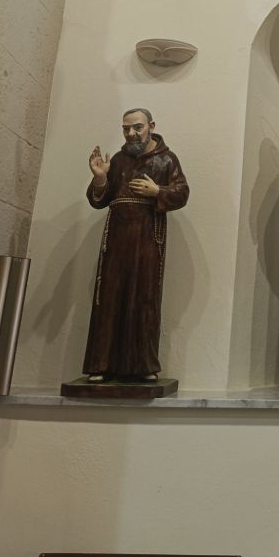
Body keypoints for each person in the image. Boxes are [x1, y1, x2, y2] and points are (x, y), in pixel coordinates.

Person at [83, 108, 189, 381]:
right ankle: (101, 365)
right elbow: (99, 200)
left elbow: (182, 192)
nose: (131, 133)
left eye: (137, 127)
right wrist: (100, 178)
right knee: (108, 299)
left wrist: (158, 191)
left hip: (148, 239)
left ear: (151, 126)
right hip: (116, 240)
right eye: (126, 128)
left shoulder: (167, 159)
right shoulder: (118, 161)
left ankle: (143, 366)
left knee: (144, 299)